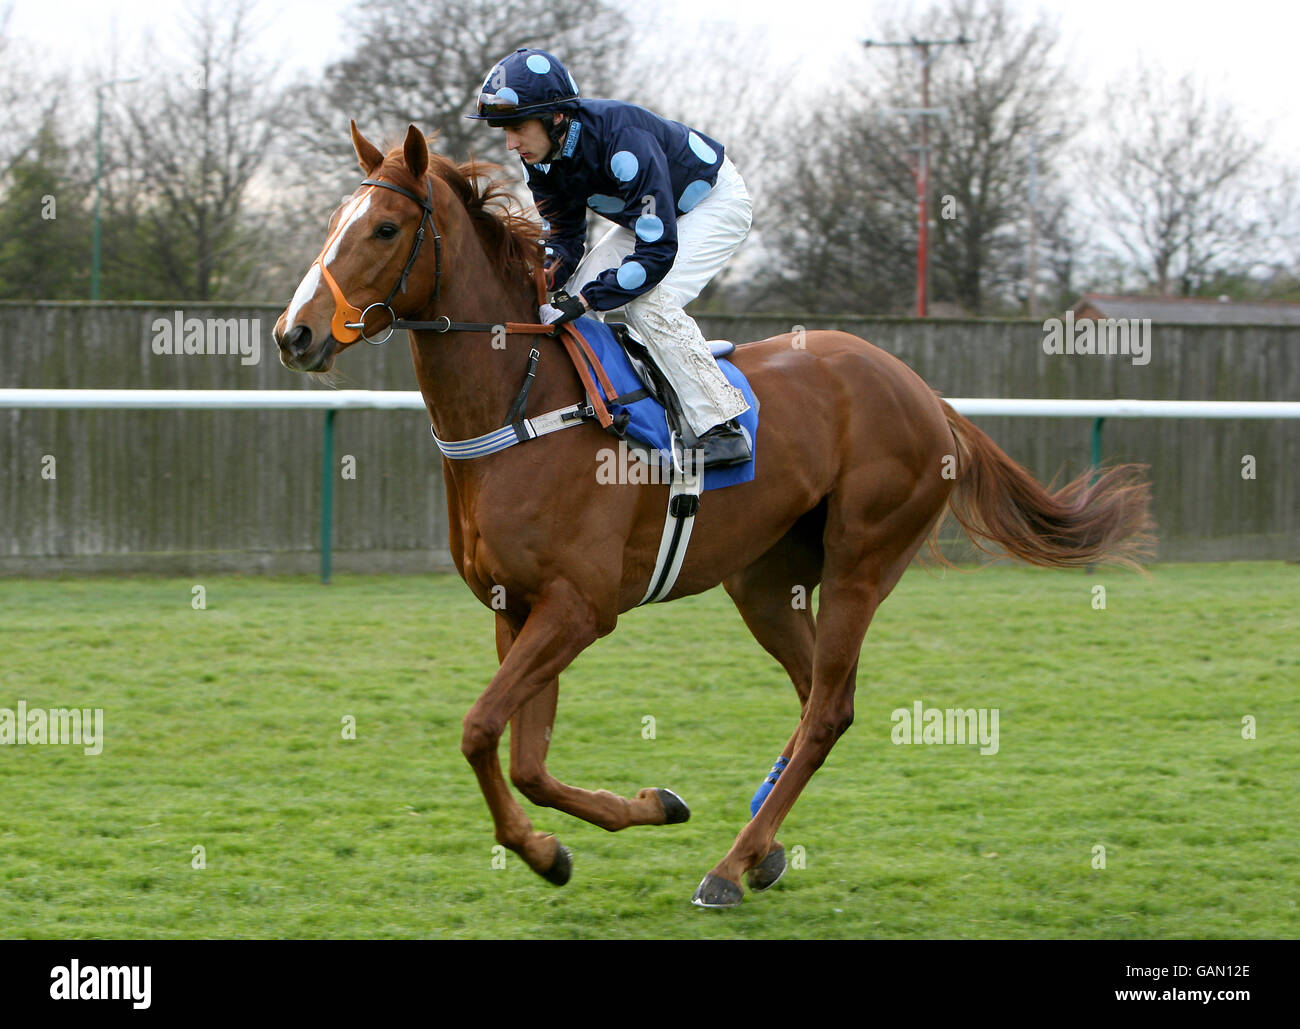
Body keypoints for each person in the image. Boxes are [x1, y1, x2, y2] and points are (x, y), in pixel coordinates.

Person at [466, 47, 753, 466]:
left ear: (556, 117)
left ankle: (722, 428)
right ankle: (592, 413)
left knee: (650, 304)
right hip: (651, 216)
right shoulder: (540, 160)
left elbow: (657, 252)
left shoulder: (624, 141)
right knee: (570, 309)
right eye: (504, 131)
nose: (511, 144)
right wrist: (541, 282)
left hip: (711, 203)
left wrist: (589, 297)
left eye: (518, 128)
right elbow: (564, 238)